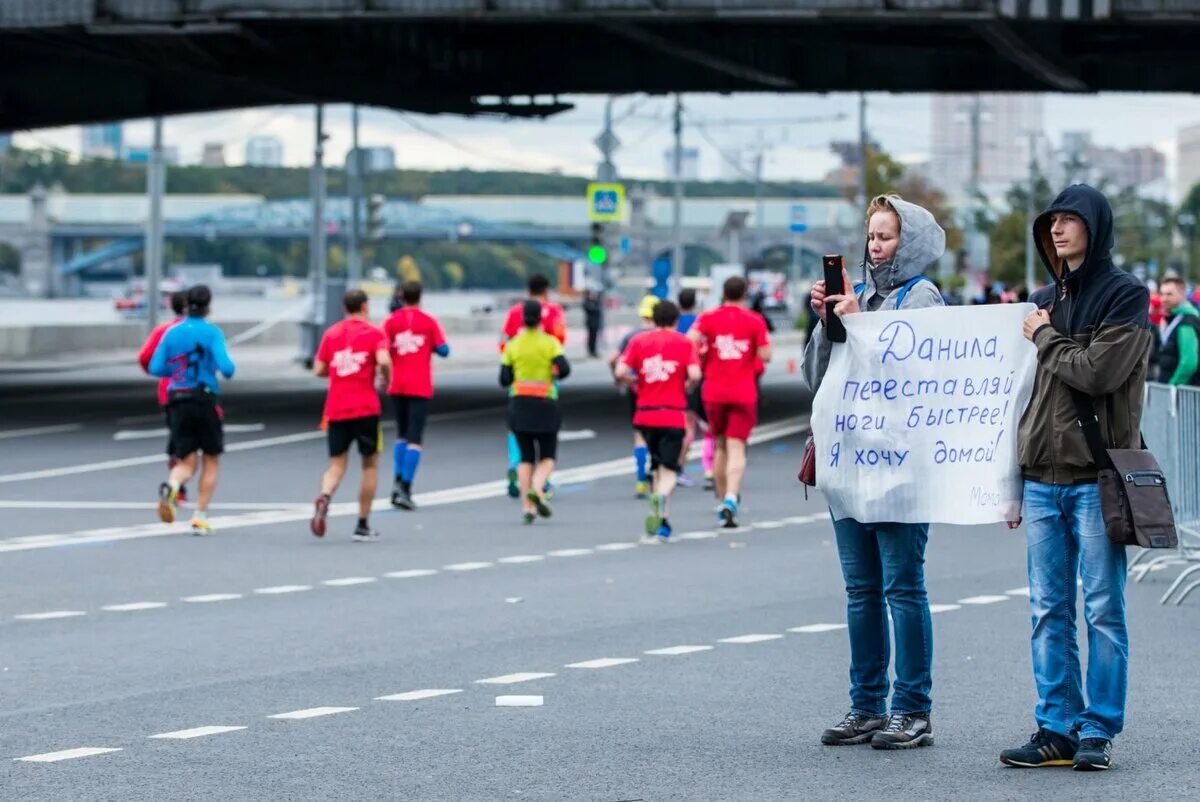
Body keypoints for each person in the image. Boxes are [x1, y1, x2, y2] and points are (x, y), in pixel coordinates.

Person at [1002, 185, 1153, 771]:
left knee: (1102, 609)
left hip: (1095, 478)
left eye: (1070, 220)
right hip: (1041, 478)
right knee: (1047, 610)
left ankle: (1098, 728)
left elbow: (1097, 373)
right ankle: (1055, 726)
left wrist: (1043, 335)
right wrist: (1012, 481)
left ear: (1095, 226)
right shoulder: (1044, 297)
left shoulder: (1125, 297)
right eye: (1052, 222)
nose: (1058, 229)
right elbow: (1020, 398)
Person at [801, 193, 945, 750]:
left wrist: (861, 326)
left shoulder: (922, 297)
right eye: (871, 236)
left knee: (902, 588)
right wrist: (825, 324)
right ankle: (866, 706)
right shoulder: (854, 296)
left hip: (900, 466)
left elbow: (923, 376)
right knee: (861, 590)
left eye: (886, 236)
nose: (875, 246)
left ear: (908, 243)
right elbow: (820, 378)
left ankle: (912, 709)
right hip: (849, 461)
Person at [149, 285, 236, 536]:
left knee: (185, 460)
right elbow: (227, 368)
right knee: (211, 459)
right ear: (209, 305)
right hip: (204, 398)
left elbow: (155, 366)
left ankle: (172, 484)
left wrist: (176, 373)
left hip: (177, 397)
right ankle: (199, 516)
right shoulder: (212, 333)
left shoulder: (172, 333)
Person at [688, 276, 771, 528]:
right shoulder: (754, 320)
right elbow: (766, 355)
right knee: (737, 447)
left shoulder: (708, 318)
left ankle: (722, 500)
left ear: (722, 293)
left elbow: (690, 339)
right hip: (743, 391)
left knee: (720, 445)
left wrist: (703, 355)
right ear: (744, 294)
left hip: (713, 391)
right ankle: (732, 500)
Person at [309, 289, 392, 542]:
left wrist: (337, 373)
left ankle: (325, 495)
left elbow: (319, 369)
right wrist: (385, 379)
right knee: (370, 464)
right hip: (366, 408)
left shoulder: (332, 334)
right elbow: (384, 359)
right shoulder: (374, 333)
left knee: (336, 464)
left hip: (336, 407)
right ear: (365, 306)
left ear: (345, 307)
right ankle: (362, 524)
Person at [616, 300, 700, 542]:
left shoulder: (638, 341)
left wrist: (634, 383)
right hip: (673, 414)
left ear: (652, 319)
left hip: (645, 413)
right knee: (669, 470)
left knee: (656, 466)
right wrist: (687, 386)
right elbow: (695, 374)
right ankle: (661, 499)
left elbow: (621, 371)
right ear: (675, 320)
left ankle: (662, 521)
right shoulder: (685, 343)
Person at [500, 300, 571, 524]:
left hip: (519, 404)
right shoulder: (550, 343)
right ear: (541, 318)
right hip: (545, 404)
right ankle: (538, 488)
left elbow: (504, 378)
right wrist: (551, 376)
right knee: (548, 457)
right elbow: (565, 368)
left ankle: (527, 509)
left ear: (522, 319)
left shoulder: (514, 344)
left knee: (525, 458)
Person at [382, 280, 450, 510]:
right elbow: (444, 350)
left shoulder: (391, 322)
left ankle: (396, 481)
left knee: (401, 434)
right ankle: (406, 486)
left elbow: (382, 349)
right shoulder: (429, 321)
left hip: (397, 383)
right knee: (415, 437)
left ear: (401, 297)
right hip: (420, 385)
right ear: (420, 296)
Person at [138, 290, 189, 504]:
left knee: (176, 439)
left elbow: (144, 358)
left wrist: (164, 373)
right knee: (204, 450)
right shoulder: (203, 331)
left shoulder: (163, 330)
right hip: (198, 393)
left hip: (169, 393)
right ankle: (180, 488)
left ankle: (178, 487)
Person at [610, 295, 659, 498]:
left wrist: (621, 380)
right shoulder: (664, 337)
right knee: (658, 435)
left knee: (639, 434)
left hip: (637, 391)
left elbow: (614, 359)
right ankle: (657, 476)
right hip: (660, 390)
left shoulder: (631, 337)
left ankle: (640, 477)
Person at [1156, 276, 1199, 385]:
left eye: (1169, 294)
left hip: (1182, 396)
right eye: (1162, 294)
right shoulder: (1173, 318)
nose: (1164, 298)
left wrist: (1172, 387)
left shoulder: (1187, 321)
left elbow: (1188, 363)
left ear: (1182, 294)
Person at [582, 290, 604, 358]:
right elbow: (591, 309)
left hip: (595, 323)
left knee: (594, 338)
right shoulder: (586, 302)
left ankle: (594, 351)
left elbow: (598, 309)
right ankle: (591, 351)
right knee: (591, 338)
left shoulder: (595, 302)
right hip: (590, 323)